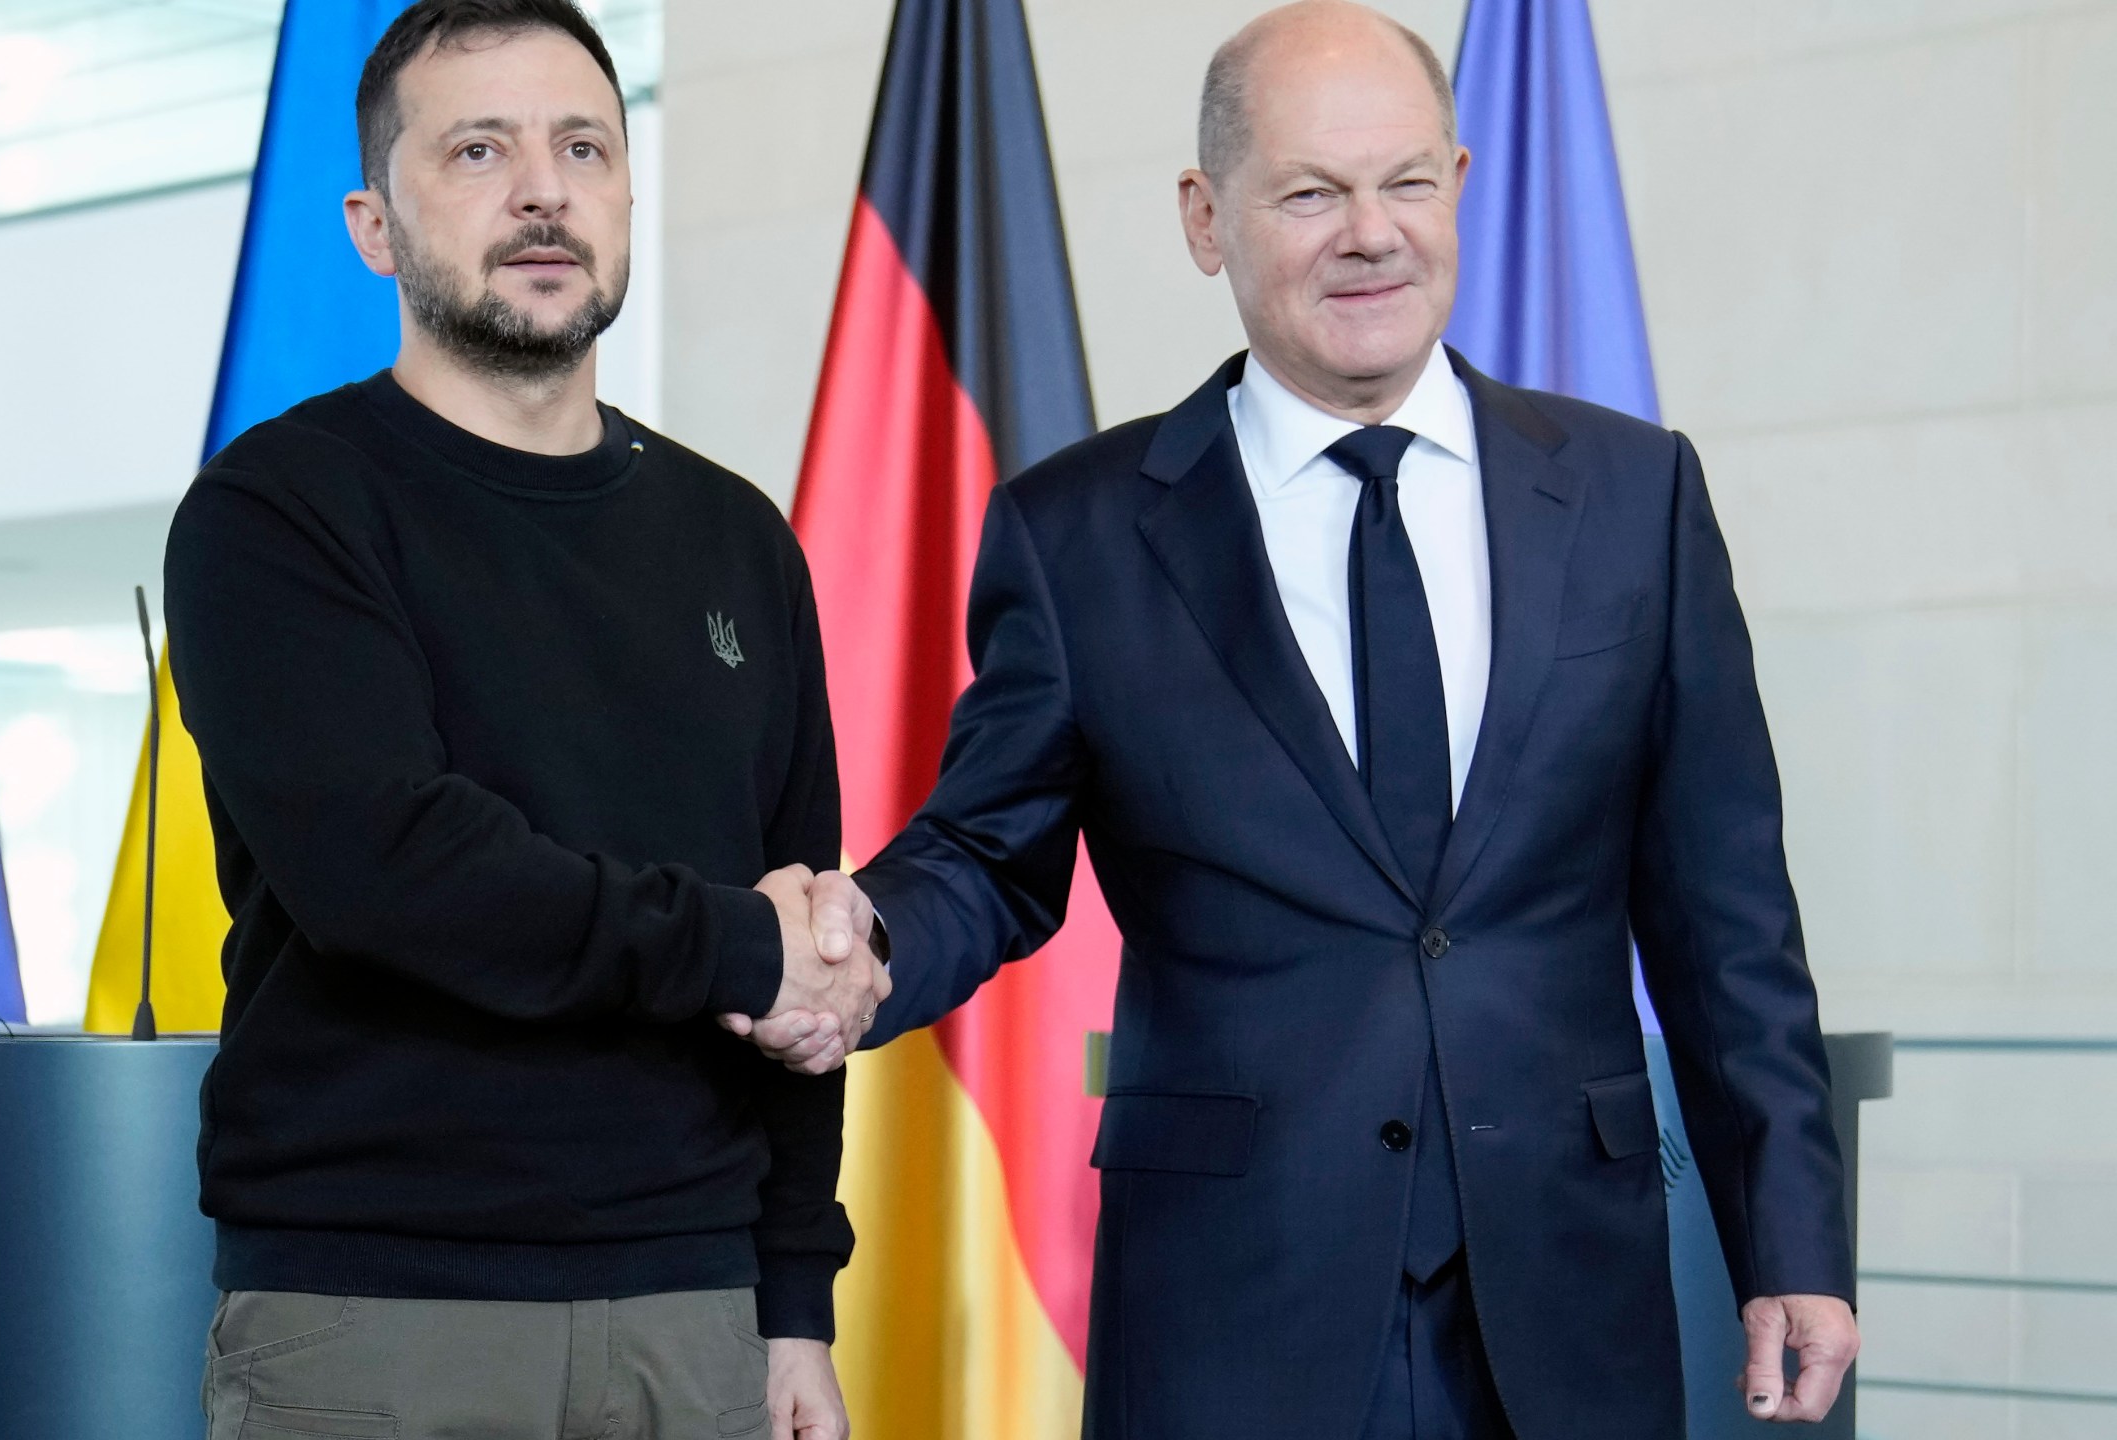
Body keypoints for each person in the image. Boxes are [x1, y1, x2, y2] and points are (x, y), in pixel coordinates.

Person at [742, 2, 1860, 1434]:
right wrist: (870, 942)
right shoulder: (1075, 535)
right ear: (1208, 220)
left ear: (1461, 185)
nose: (1370, 234)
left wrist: (1793, 1245)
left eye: (1404, 183)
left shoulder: (1634, 499)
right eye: (1311, 194)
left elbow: (1726, 916)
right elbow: (988, 853)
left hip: (1566, 1303)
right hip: (1234, 1312)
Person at [165, 3, 884, 1436]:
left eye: (583, 147)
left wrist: (794, 1298)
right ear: (374, 225)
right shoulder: (279, 511)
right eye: (480, 150)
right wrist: (741, 942)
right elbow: (400, 871)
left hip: (697, 1313)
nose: (544, 189)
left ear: (624, 195)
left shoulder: (740, 539)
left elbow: (811, 916)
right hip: (380, 1316)